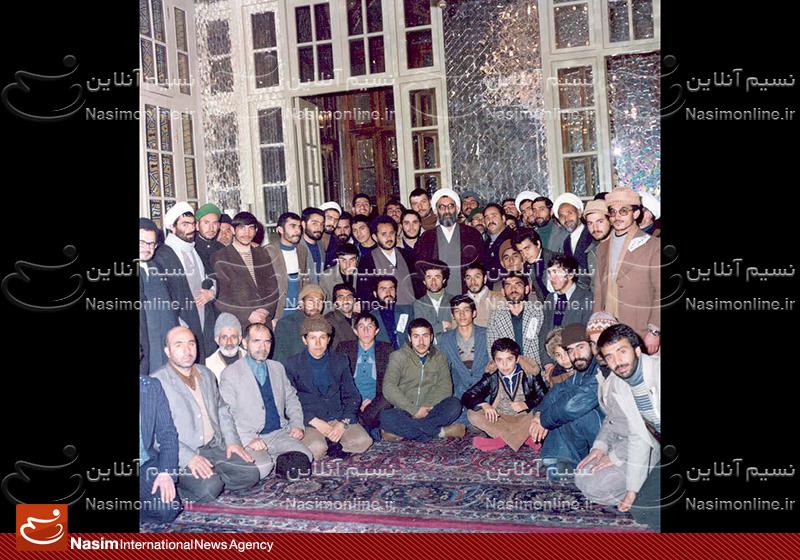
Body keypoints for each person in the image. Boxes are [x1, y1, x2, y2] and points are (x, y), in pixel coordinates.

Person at [151, 327, 260, 502]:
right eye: (179, 345)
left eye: (191, 344)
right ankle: (185, 483)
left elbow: (222, 410)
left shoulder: (206, 374)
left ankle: (212, 476)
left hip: (214, 447)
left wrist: (232, 442)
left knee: (251, 474)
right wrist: (188, 458)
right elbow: (155, 435)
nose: (187, 350)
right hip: (183, 453)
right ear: (167, 351)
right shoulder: (156, 383)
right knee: (209, 489)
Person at [576, 323, 660, 518]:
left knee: (648, 514)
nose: (617, 362)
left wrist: (614, 457)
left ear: (637, 350)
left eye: (622, 352)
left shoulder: (657, 373)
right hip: (647, 443)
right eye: (610, 356)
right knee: (639, 505)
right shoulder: (623, 384)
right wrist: (632, 491)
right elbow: (639, 436)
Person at [218, 323, 313, 479]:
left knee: (305, 458)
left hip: (279, 433)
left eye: (267, 342)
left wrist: (296, 424)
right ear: (245, 343)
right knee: (262, 469)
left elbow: (291, 398)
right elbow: (226, 414)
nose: (263, 347)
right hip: (252, 436)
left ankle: (275, 459)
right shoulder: (231, 373)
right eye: (257, 341)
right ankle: (271, 461)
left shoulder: (277, 368)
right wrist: (248, 440)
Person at [284, 316, 373, 460]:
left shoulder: (340, 360)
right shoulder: (291, 364)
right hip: (310, 420)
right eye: (313, 338)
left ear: (329, 339)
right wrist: (314, 421)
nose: (318, 343)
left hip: (337, 417)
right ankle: (327, 444)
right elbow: (289, 401)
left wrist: (343, 423)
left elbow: (352, 395)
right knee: (316, 449)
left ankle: (334, 444)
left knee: (363, 442)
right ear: (304, 340)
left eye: (322, 337)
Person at [528, 323, 603, 481]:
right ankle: (561, 458)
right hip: (599, 428)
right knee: (560, 404)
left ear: (591, 345)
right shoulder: (584, 369)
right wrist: (539, 414)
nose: (576, 354)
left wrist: (543, 421)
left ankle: (587, 460)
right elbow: (558, 390)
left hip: (615, 436)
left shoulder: (602, 368)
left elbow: (572, 406)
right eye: (570, 349)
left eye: (580, 347)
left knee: (569, 412)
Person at [593, 187, 661, 353]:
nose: (617, 216)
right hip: (610, 330)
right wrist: (596, 328)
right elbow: (599, 292)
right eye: (612, 212)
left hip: (641, 330)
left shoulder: (653, 245)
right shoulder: (602, 248)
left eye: (623, 211)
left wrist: (655, 331)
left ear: (636, 213)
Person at [151, 202, 218, 362]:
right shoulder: (162, 256)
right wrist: (180, 325)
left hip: (203, 321)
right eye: (184, 224)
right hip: (181, 326)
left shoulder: (194, 250)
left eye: (192, 224)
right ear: (172, 227)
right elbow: (163, 297)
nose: (191, 228)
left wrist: (212, 292)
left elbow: (211, 276)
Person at [379, 318, 463, 441]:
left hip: (431, 410)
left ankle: (406, 432)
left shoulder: (440, 357)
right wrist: (414, 410)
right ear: (409, 338)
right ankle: (440, 432)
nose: (421, 341)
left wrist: (427, 407)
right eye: (416, 336)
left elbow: (446, 387)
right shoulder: (398, 356)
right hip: (405, 410)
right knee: (385, 416)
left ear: (431, 337)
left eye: (425, 336)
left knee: (454, 404)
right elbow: (388, 386)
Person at [461, 338, 548, 451]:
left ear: (517, 359)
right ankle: (523, 438)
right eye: (499, 360)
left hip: (524, 418)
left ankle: (499, 442)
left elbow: (545, 398)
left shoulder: (530, 373)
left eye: (509, 359)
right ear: (494, 361)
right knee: (472, 414)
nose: (504, 364)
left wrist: (527, 404)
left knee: (541, 414)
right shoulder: (492, 376)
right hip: (501, 418)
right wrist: (484, 404)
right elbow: (467, 396)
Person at [211, 211, 280, 330]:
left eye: (251, 228)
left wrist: (265, 311)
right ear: (233, 230)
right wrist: (248, 314)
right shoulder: (220, 257)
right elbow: (220, 296)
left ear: (256, 230)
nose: (247, 233)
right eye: (242, 228)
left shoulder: (262, 253)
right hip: (238, 325)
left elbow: (272, 287)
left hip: (264, 322)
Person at [414, 188, 487, 296]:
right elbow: (420, 272)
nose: (447, 211)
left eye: (450, 206)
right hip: (437, 298)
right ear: (436, 211)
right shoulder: (426, 238)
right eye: (442, 207)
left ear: (457, 209)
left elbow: (481, 266)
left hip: (467, 296)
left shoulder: (472, 234)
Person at [336, 312, 395, 433]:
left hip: (375, 402)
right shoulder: (344, 348)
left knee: (388, 399)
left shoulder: (387, 350)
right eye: (361, 326)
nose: (366, 331)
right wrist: (356, 403)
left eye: (370, 326)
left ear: (376, 331)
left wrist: (373, 401)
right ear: (355, 331)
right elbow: (337, 380)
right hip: (350, 402)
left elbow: (390, 383)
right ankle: (368, 426)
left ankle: (361, 423)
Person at [438, 295, 490, 426]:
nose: (462, 314)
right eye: (457, 311)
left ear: (474, 313)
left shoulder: (487, 334)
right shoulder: (445, 339)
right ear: (452, 315)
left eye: (466, 310)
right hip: (459, 391)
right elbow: (444, 369)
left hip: (484, 391)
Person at [539, 254, 594, 375]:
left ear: (571, 275)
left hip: (579, 367)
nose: (552, 278)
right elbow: (544, 332)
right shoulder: (550, 298)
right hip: (555, 365)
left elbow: (588, 337)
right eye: (550, 273)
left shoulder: (587, 298)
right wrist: (547, 363)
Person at [139, 374, 182, 523]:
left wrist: (165, 473)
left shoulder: (151, 386)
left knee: (168, 508)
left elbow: (167, 433)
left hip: (142, 464)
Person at [139, 218, 179, 375]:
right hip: (145, 352)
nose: (147, 248)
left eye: (151, 244)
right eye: (142, 242)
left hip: (165, 348)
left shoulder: (159, 268)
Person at [485, 272, 544, 376]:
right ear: (503, 292)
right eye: (508, 285)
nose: (513, 289)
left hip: (537, 372)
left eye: (518, 284)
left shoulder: (539, 313)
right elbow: (493, 351)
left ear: (526, 289)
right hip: (508, 374)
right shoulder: (495, 317)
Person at [356, 215, 415, 308]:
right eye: (384, 234)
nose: (389, 237)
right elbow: (365, 295)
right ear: (375, 237)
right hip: (383, 313)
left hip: (411, 310)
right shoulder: (367, 261)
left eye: (391, 233)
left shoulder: (407, 255)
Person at [264, 212, 309, 322]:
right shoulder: (268, 251)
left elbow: (304, 280)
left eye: (299, 227)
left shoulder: (302, 250)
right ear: (280, 230)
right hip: (277, 313)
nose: (298, 231)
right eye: (292, 226)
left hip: (298, 312)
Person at [272, 283, 327, 363]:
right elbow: (278, 359)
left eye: (319, 301)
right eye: (311, 301)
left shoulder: (325, 325)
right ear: (301, 303)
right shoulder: (286, 324)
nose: (316, 305)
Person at [412, 259, 453, 338]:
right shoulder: (418, 304)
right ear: (424, 281)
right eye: (429, 277)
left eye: (437, 277)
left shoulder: (454, 301)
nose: (433, 281)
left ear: (444, 280)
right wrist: (442, 325)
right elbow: (421, 331)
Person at [513, 227, 554, 303]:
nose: (525, 254)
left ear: (538, 244)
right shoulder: (530, 265)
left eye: (527, 248)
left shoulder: (556, 261)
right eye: (521, 251)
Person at [205, 313, 245, 382]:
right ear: (217, 340)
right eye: (224, 337)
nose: (229, 342)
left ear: (240, 339)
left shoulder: (250, 359)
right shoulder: (208, 365)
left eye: (233, 337)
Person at [463, 263, 504, 328]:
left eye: (477, 277)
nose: (473, 281)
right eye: (468, 278)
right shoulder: (460, 302)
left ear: (484, 279)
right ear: (465, 280)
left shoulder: (499, 299)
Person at [583, 200, 611, 292]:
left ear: (611, 220)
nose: (595, 228)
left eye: (600, 221)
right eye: (590, 223)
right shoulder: (591, 252)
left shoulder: (625, 247)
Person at [483, 203, 514, 289]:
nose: (490, 220)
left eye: (494, 216)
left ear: (503, 218)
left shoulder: (513, 239)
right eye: (487, 217)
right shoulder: (486, 243)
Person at [324, 283, 358, 350]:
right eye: (341, 297)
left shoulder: (360, 319)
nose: (345, 300)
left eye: (349, 296)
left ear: (354, 300)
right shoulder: (328, 321)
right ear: (335, 302)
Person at [194, 203, 225, 272]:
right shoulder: (191, 248)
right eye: (206, 223)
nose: (211, 228)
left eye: (214, 223)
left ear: (219, 226)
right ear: (197, 226)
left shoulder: (222, 249)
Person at [300, 207, 326, 284]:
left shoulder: (321, 245)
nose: (319, 228)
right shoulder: (296, 247)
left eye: (322, 224)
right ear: (303, 224)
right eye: (314, 223)